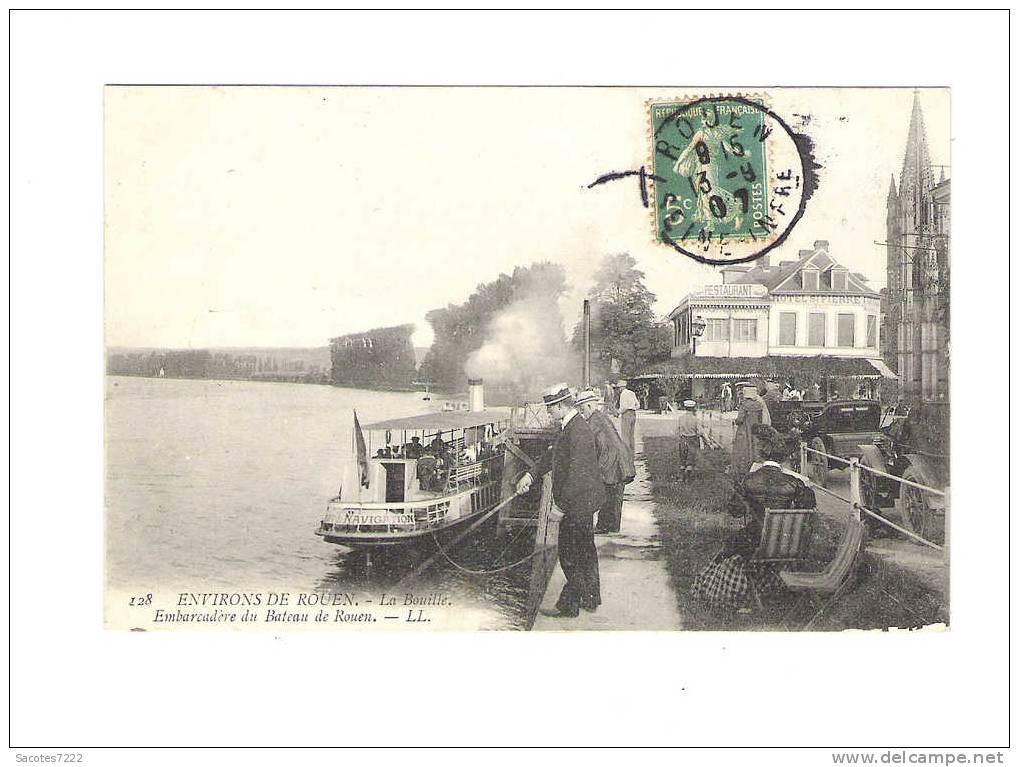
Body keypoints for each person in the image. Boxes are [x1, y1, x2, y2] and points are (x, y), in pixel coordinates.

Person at [516, 384, 605, 618]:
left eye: (549, 408)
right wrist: (531, 474)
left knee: (569, 553)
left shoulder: (578, 431)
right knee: (585, 550)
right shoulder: (571, 427)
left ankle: (569, 605)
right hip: (582, 501)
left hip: (578, 502)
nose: (547, 413)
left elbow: (578, 474)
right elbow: (552, 455)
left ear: (559, 406)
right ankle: (591, 597)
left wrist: (559, 507)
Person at [574, 389, 635, 534]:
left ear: (589, 406)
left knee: (606, 494)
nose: (583, 414)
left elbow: (593, 445)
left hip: (611, 462)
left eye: (583, 410)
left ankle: (603, 526)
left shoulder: (593, 422)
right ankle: (613, 526)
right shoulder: (602, 417)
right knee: (615, 495)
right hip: (620, 460)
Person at [731, 386, 770, 484]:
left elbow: (740, 419)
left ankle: (743, 472)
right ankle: (756, 470)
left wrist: (735, 421)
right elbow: (761, 420)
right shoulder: (759, 405)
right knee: (756, 448)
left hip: (745, 431)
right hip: (756, 430)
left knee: (743, 450)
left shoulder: (744, 405)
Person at [676, 399, 703, 483]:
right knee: (690, 458)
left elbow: (678, 430)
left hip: (683, 439)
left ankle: (681, 476)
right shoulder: (696, 419)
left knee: (683, 458)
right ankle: (688, 477)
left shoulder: (681, 418)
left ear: (685, 408)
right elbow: (699, 432)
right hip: (692, 440)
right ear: (693, 408)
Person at [615, 380, 640, 459]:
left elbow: (623, 407)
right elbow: (638, 405)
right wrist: (633, 408)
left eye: (619, 388)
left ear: (622, 387)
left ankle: (627, 454)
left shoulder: (623, 394)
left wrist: (617, 413)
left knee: (625, 435)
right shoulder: (631, 393)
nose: (618, 389)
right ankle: (632, 453)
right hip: (633, 414)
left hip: (626, 415)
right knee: (631, 436)